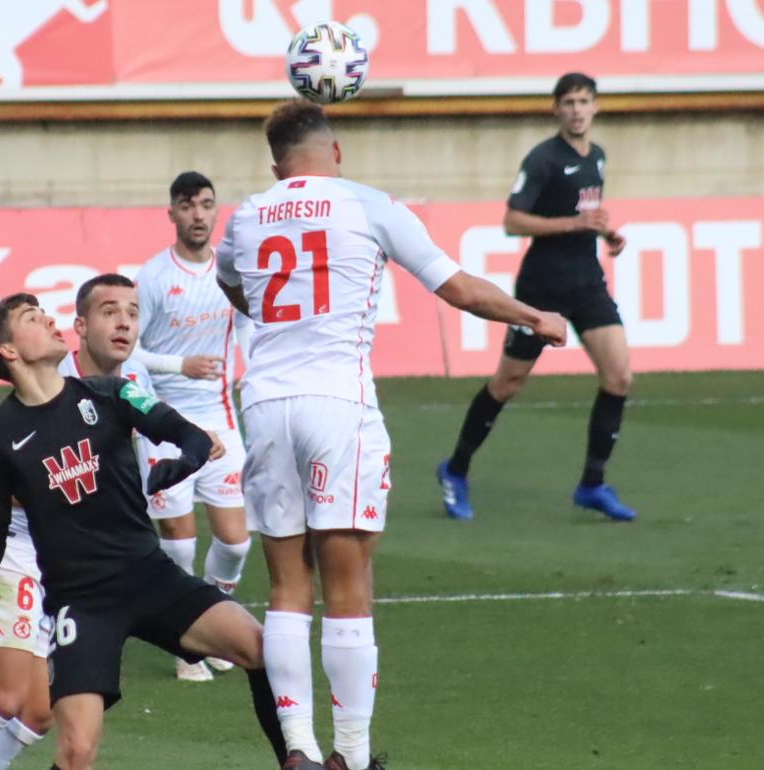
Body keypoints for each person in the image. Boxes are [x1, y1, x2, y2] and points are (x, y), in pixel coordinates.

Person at [215, 99, 567, 770]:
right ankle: (348, 755)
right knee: (348, 581)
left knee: (287, 584)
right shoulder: (368, 204)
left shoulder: (248, 215)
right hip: (337, 404)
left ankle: (297, 748)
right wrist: (534, 316)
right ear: (335, 150)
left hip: (263, 403)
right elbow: (456, 286)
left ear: (276, 164)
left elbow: (237, 289)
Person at [0, 287, 289, 770]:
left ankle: (294, 762)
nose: (51, 321)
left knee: (261, 648)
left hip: (150, 575)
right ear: (8, 351)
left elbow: (190, 437)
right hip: (81, 601)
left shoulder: (111, 394)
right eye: (34, 318)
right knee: (76, 751)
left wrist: (183, 463)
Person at [0, 274, 151, 770]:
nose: (123, 321)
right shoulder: (7, 428)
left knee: (39, 712)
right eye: (111, 312)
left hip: (71, 568)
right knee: (2, 698)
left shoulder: (123, 384)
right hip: (21, 555)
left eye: (130, 312)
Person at [436, 72, 636, 523]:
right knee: (508, 384)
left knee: (619, 377)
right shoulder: (544, 159)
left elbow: (585, 216)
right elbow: (513, 221)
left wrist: (609, 235)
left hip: (587, 283)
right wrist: (573, 225)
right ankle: (455, 469)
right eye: (569, 102)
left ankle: (592, 484)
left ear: (595, 106)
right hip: (541, 288)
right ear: (556, 109)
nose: (577, 110)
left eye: (584, 101)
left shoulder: (597, 157)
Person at [133, 171, 253, 682]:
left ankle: (211, 623)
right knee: (179, 544)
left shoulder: (231, 272)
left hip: (221, 422)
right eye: (188, 205)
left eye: (207, 204)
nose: (199, 214)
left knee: (235, 543)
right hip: (164, 427)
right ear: (172, 213)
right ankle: (185, 646)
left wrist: (246, 364)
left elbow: (248, 322)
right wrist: (179, 367)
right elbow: (131, 352)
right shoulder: (153, 277)